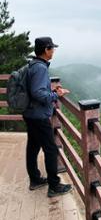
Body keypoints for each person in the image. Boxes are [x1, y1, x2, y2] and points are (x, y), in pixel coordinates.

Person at [22, 37, 73, 197]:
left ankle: (35, 180)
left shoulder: (33, 65)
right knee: (51, 150)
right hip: (38, 115)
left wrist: (51, 88)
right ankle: (54, 186)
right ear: (46, 49)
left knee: (33, 147)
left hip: (30, 113)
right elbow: (37, 93)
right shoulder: (41, 68)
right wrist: (55, 94)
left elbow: (36, 88)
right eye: (52, 48)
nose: (53, 51)